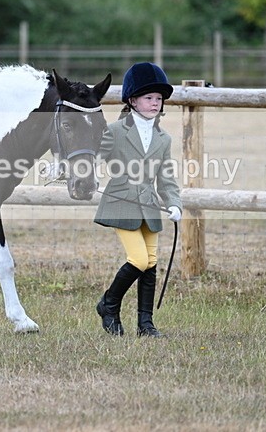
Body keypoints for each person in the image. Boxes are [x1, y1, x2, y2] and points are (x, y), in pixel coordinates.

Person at [93, 62, 183, 337]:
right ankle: (109, 304)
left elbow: (166, 176)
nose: (155, 103)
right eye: (148, 98)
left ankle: (146, 324)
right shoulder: (116, 130)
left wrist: (174, 202)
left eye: (158, 98)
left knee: (151, 262)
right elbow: (96, 155)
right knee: (139, 259)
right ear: (132, 100)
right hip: (122, 201)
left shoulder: (163, 138)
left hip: (149, 205)